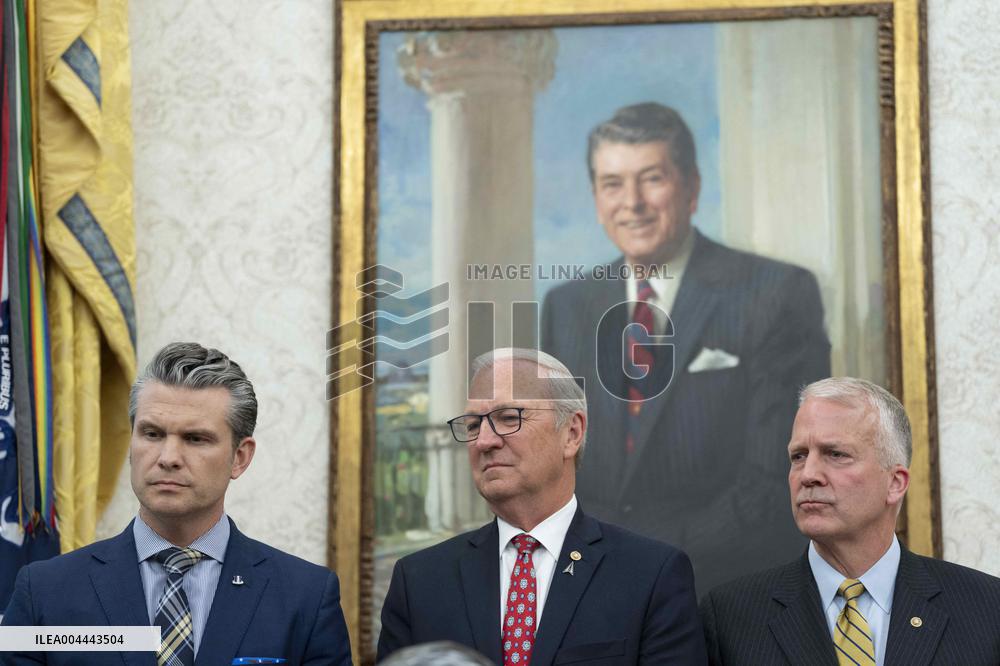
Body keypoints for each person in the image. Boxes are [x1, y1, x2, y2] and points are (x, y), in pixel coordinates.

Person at [540, 102, 831, 594]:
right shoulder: (566, 306)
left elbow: (772, 480)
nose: (631, 202)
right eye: (612, 184)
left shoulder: (776, 293)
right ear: (595, 197)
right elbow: (556, 465)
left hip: (730, 594)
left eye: (652, 178)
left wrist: (635, 561)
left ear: (692, 187)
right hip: (594, 591)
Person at [1, 342, 353, 665]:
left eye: (195, 439)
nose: (168, 457)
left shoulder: (305, 597)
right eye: (152, 434)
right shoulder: (44, 592)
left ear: (239, 458)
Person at [377, 348, 707, 665]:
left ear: (572, 433)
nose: (484, 441)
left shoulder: (650, 575)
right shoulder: (420, 582)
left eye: (508, 418)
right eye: (474, 425)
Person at [700, 377, 1000, 665]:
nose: (808, 475)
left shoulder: (986, 609)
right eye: (799, 456)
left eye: (836, 454)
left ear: (895, 483)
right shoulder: (730, 618)